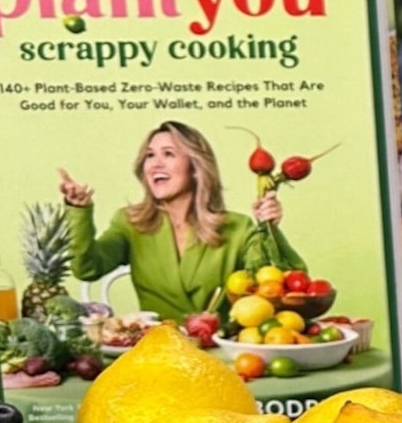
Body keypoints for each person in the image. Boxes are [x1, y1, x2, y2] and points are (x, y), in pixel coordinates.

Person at [58, 122, 301, 326]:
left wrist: (268, 228)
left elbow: (277, 289)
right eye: (150, 155)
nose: (155, 164)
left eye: (169, 154)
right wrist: (79, 211)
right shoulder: (130, 223)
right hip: (158, 351)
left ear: (196, 168)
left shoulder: (238, 228)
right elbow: (87, 268)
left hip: (221, 354)